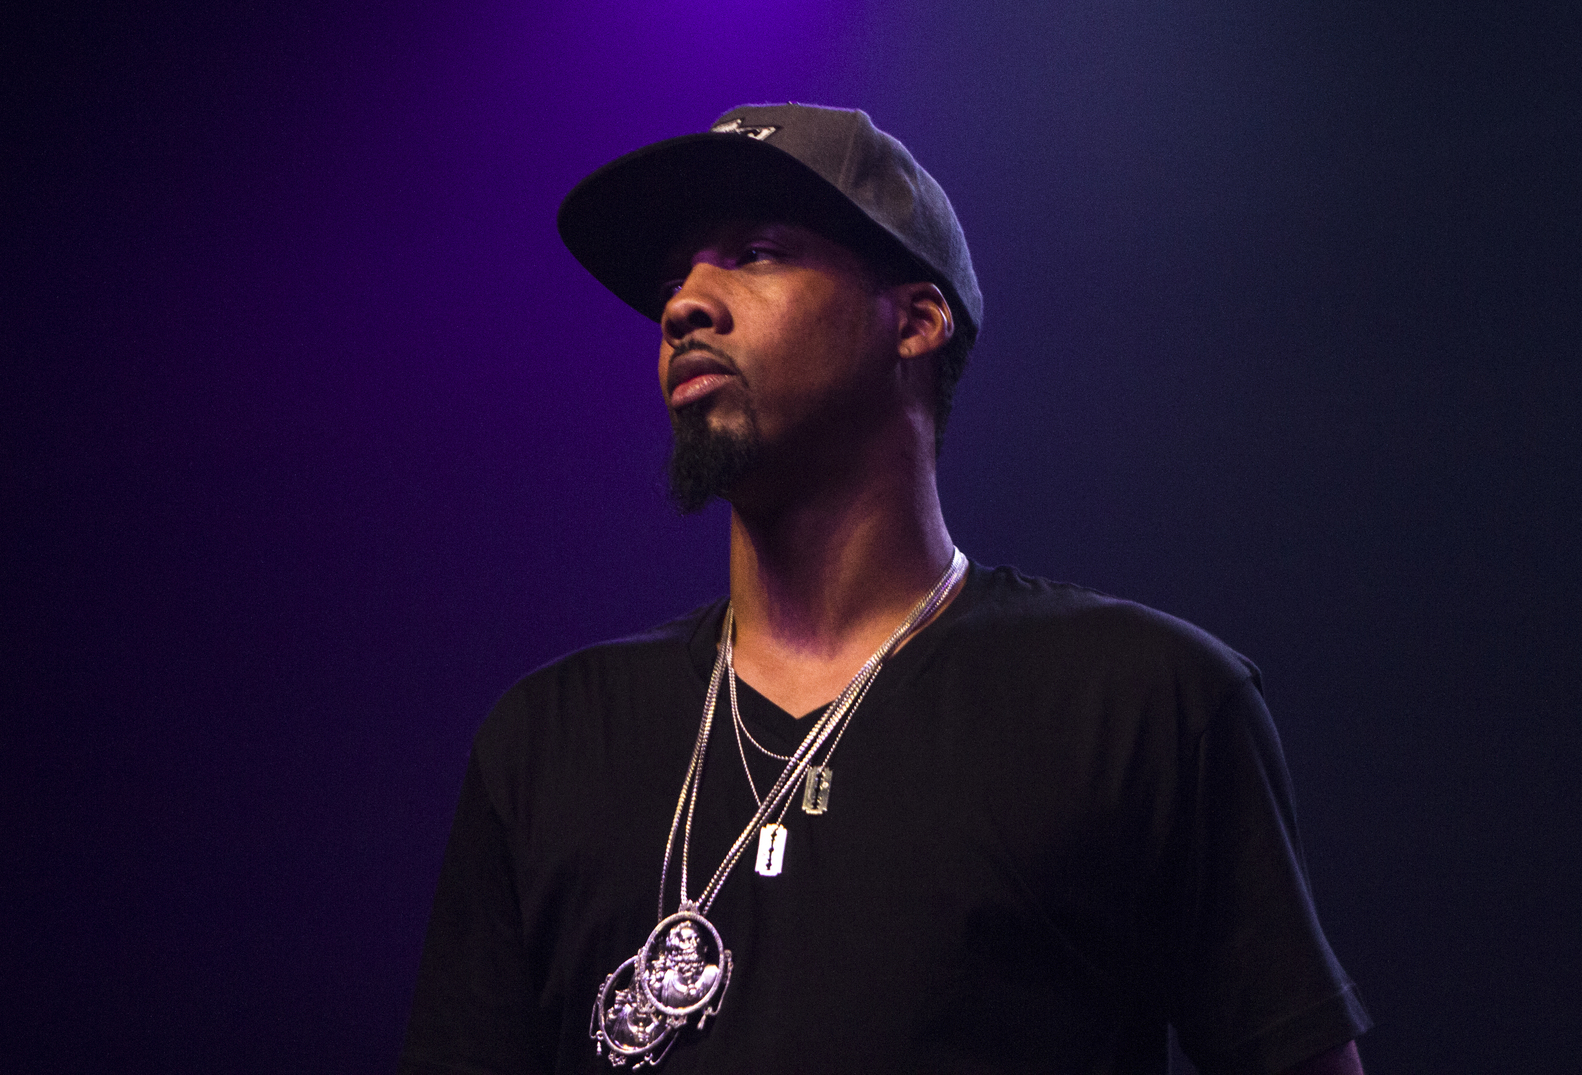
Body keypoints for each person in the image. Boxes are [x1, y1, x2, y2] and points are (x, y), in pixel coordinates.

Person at [397, 103, 1371, 1075]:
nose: (684, 305)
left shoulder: (1142, 703)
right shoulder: (547, 738)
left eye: (755, 254)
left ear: (914, 320)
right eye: (672, 280)